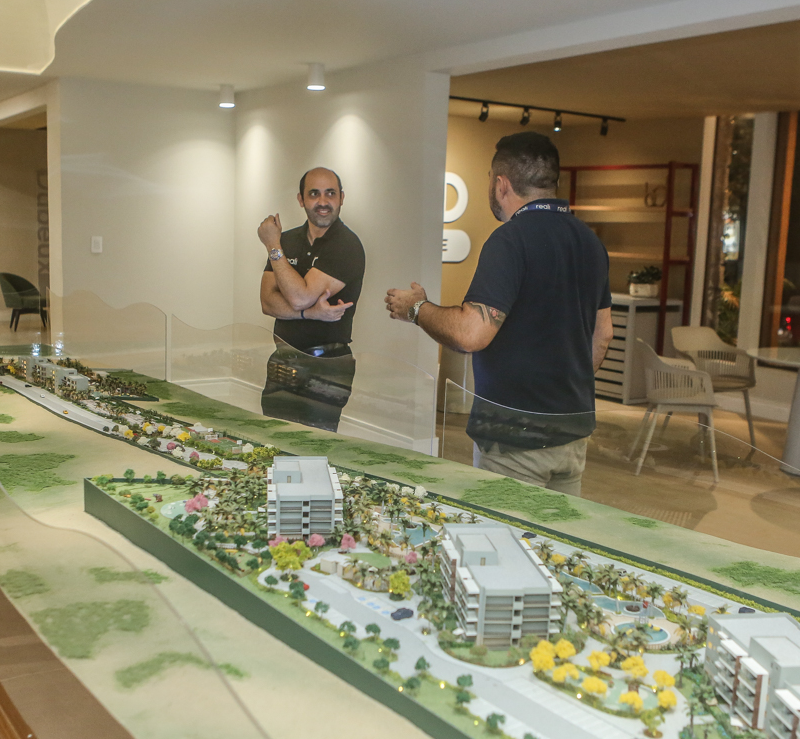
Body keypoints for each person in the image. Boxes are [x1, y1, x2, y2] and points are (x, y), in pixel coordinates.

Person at [385, 132, 611, 495]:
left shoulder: (510, 240)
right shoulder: (590, 243)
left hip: (514, 438)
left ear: (501, 184)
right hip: (573, 433)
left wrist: (416, 308)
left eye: (490, 178)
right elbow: (603, 334)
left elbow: (471, 333)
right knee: (555, 532)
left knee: (507, 530)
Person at [257, 166, 366, 432]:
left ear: (341, 197)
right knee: (274, 438)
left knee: (315, 444)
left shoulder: (346, 245)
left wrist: (272, 246)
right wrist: (310, 313)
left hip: (327, 365)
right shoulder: (287, 240)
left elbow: (299, 297)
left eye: (330, 193)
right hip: (284, 359)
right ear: (301, 199)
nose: (323, 201)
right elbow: (267, 302)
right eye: (314, 194)